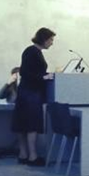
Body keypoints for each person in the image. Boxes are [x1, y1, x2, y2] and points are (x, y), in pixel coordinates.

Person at [12, 27, 55, 166]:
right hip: (30, 93)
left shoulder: (33, 51)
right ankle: (32, 156)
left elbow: (32, 71)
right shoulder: (32, 51)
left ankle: (23, 154)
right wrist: (44, 77)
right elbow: (25, 73)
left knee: (23, 124)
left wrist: (45, 75)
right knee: (31, 125)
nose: (52, 43)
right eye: (50, 40)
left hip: (27, 92)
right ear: (44, 39)